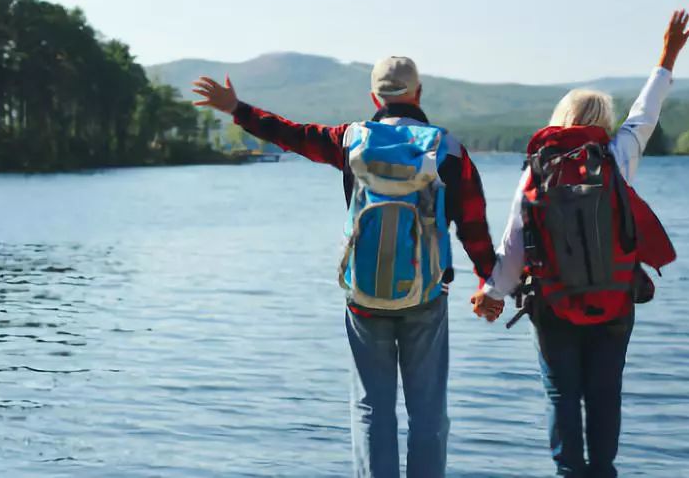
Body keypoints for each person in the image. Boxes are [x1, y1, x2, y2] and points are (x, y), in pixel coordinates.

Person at [192, 57, 496, 478]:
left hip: (364, 296)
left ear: (374, 97)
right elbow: (474, 226)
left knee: (372, 407)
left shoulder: (350, 139)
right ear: (418, 93)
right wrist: (490, 281)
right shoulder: (448, 149)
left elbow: (291, 135)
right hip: (427, 296)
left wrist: (237, 109)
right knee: (428, 412)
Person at [471, 10, 689, 477]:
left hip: (552, 303)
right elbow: (646, 112)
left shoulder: (539, 167)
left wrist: (492, 295)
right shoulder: (616, 156)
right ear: (604, 121)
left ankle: (569, 473)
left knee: (562, 395)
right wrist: (667, 56)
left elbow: (515, 239)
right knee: (605, 391)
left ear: (561, 119)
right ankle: (604, 472)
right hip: (613, 301)